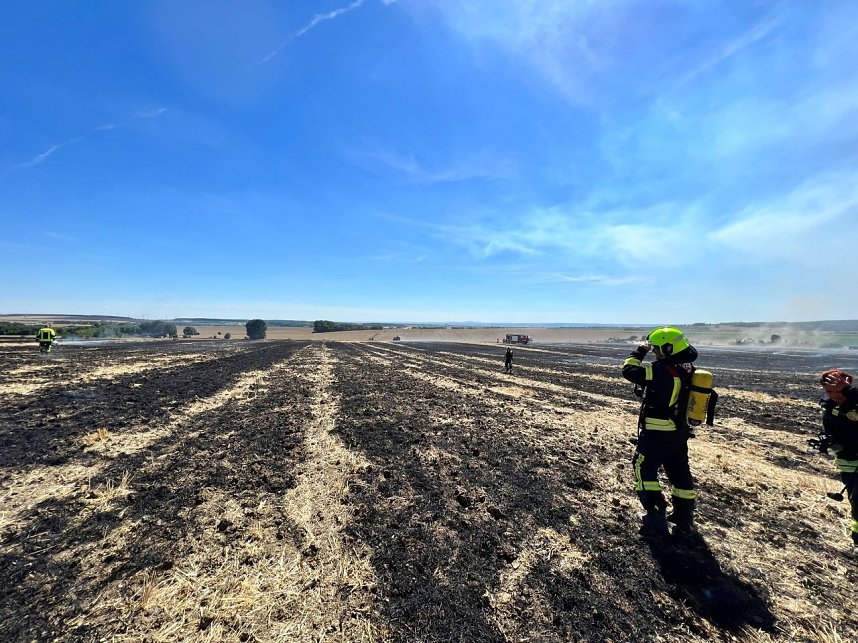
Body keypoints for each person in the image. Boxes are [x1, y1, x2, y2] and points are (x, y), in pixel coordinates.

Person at [622, 327, 699, 535]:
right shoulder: (689, 369)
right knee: (680, 473)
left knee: (643, 467)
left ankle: (656, 513)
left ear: (668, 347)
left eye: (657, 349)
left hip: (657, 432)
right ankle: (684, 517)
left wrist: (639, 351)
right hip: (679, 433)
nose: (655, 352)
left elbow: (628, 370)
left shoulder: (660, 370)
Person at [816, 369, 858, 554]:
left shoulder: (855, 402)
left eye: (839, 391)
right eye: (830, 391)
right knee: (855, 501)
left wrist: (849, 391)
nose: (835, 395)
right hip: (847, 464)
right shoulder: (828, 406)